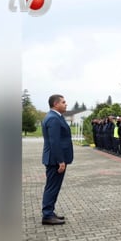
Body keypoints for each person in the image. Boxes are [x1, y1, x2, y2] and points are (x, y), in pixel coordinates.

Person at [41, 94, 74, 225]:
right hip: (55, 160)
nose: (66, 104)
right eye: (64, 102)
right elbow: (55, 142)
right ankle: (47, 215)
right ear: (56, 104)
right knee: (52, 187)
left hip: (55, 159)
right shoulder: (53, 118)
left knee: (54, 187)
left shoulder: (55, 117)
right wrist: (61, 161)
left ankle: (50, 212)